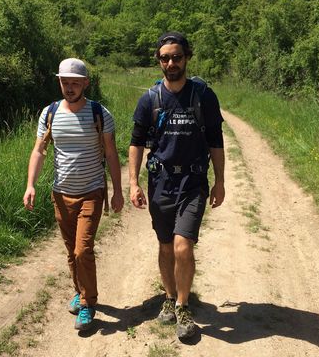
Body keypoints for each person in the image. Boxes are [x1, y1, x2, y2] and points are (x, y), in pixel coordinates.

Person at [128, 32, 225, 339]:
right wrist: (133, 182)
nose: (171, 63)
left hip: (193, 181)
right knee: (166, 245)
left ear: (187, 58)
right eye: (165, 58)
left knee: (183, 246)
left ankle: (183, 306)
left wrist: (220, 181)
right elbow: (136, 142)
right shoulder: (150, 98)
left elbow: (215, 140)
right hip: (161, 182)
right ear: (159, 61)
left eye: (177, 57)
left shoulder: (204, 96)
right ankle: (169, 298)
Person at [23, 57, 124, 331]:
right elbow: (39, 150)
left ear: (85, 84)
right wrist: (30, 184)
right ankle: (80, 292)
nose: (69, 87)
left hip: (92, 191)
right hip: (61, 194)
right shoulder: (50, 113)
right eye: (65, 82)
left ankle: (89, 304)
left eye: (75, 83)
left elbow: (112, 154)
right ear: (59, 82)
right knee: (71, 252)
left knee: (82, 250)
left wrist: (117, 190)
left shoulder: (99, 114)